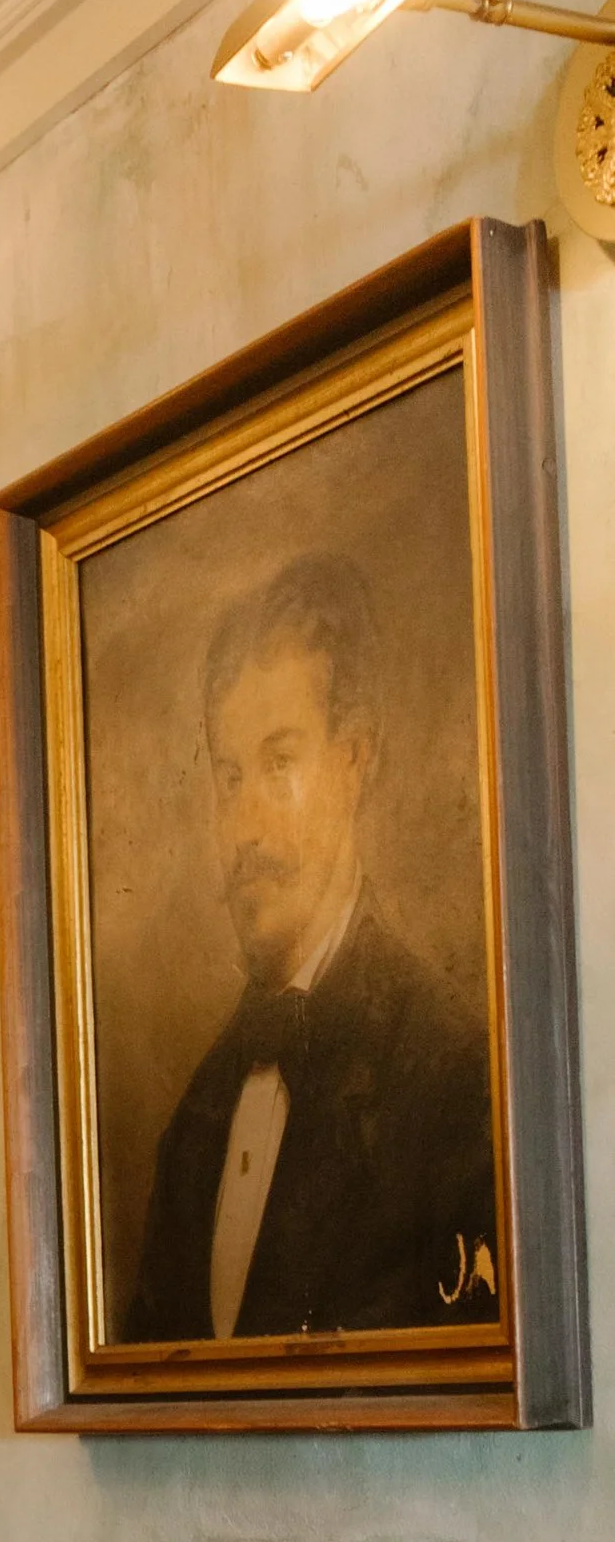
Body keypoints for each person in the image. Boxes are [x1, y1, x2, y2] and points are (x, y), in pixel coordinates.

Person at [126, 554, 498, 1342]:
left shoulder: (452, 1079)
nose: (245, 827)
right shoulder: (197, 1115)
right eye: (229, 777)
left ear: (354, 759)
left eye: (280, 762)